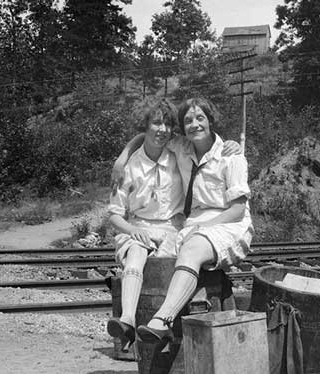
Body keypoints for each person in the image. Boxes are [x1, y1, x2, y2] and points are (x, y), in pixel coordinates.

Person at [112, 97, 253, 346]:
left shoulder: (231, 156)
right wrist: (122, 157)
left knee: (191, 248)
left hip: (228, 222)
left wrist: (200, 228)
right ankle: (132, 322)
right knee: (152, 257)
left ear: (211, 121)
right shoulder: (182, 147)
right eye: (188, 120)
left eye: (200, 118)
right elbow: (148, 135)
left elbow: (237, 210)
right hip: (194, 223)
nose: (194, 124)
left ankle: (162, 321)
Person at [106, 98, 185, 351]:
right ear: (146, 125)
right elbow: (115, 214)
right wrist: (133, 231)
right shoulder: (128, 168)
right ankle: (127, 321)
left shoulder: (178, 155)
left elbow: (204, 143)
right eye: (156, 123)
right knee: (137, 251)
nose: (162, 129)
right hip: (138, 225)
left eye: (168, 124)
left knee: (166, 262)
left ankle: (162, 328)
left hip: (172, 227)